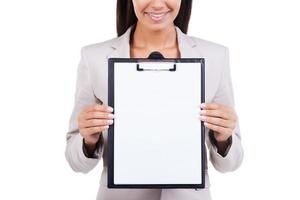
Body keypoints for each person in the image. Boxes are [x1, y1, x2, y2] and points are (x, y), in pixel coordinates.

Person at [65, 0, 244, 199]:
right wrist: (88, 140)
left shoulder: (215, 56)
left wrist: (223, 138)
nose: (158, 4)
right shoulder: (94, 57)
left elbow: (231, 163)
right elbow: (76, 163)